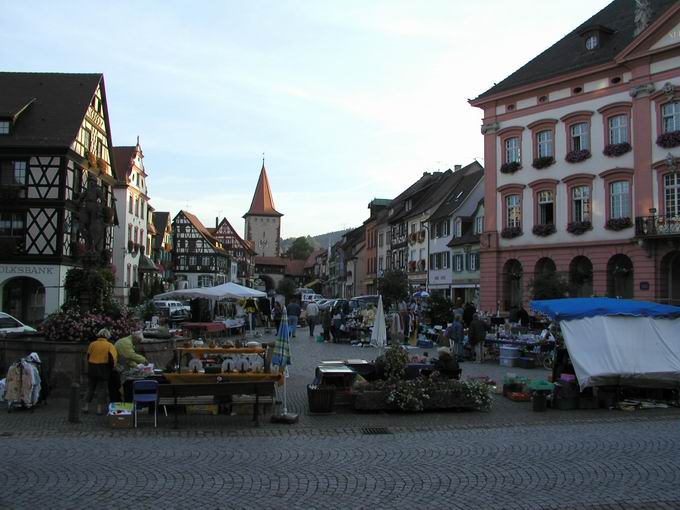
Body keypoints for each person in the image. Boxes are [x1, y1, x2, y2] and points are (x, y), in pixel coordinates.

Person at [83, 328, 118, 415]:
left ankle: (86, 406)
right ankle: (99, 409)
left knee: (90, 387)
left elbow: (88, 356)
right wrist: (112, 368)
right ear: (107, 336)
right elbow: (113, 359)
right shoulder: (110, 345)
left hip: (92, 367)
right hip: (103, 368)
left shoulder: (92, 344)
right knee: (101, 389)